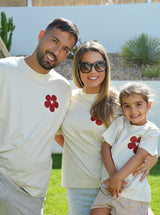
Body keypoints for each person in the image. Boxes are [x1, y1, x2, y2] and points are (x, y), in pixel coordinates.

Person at [55, 42, 157, 215]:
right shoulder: (66, 100)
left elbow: (141, 134)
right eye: (85, 66)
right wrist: (78, 152)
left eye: (99, 65)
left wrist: (152, 158)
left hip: (119, 182)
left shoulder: (120, 102)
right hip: (79, 184)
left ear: (106, 67)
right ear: (78, 69)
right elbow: (58, 134)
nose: (93, 71)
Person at [0, 17, 79, 215]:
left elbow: (62, 134)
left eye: (65, 49)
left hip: (30, 191)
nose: (57, 52)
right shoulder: (4, 70)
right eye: (54, 41)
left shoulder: (62, 89)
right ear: (41, 36)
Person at [90, 82, 160, 215]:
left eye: (138, 104)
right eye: (127, 106)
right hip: (108, 187)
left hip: (132, 193)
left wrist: (118, 178)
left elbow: (139, 157)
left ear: (148, 105)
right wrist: (113, 177)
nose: (133, 110)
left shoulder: (151, 131)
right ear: (122, 108)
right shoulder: (120, 123)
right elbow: (105, 147)